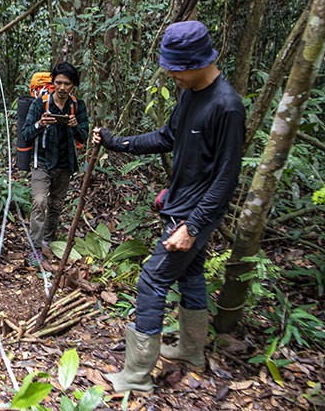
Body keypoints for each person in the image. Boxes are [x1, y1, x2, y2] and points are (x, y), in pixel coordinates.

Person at [93, 21, 245, 394]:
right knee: (191, 273)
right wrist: (117, 142)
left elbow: (226, 179)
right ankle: (192, 352)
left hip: (195, 214)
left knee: (152, 279)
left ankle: (137, 374)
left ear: (197, 62)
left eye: (176, 68)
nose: (170, 74)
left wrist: (192, 227)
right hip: (181, 206)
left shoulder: (227, 106)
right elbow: (166, 137)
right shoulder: (189, 93)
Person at [20, 62, 89, 266]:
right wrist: (39, 123)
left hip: (65, 162)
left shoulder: (78, 105)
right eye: (58, 82)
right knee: (40, 201)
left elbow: (84, 136)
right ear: (53, 83)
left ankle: (49, 239)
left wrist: (76, 127)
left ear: (73, 85)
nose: (62, 87)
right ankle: (35, 247)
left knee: (56, 204)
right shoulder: (40, 104)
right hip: (41, 160)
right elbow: (25, 134)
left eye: (66, 83)